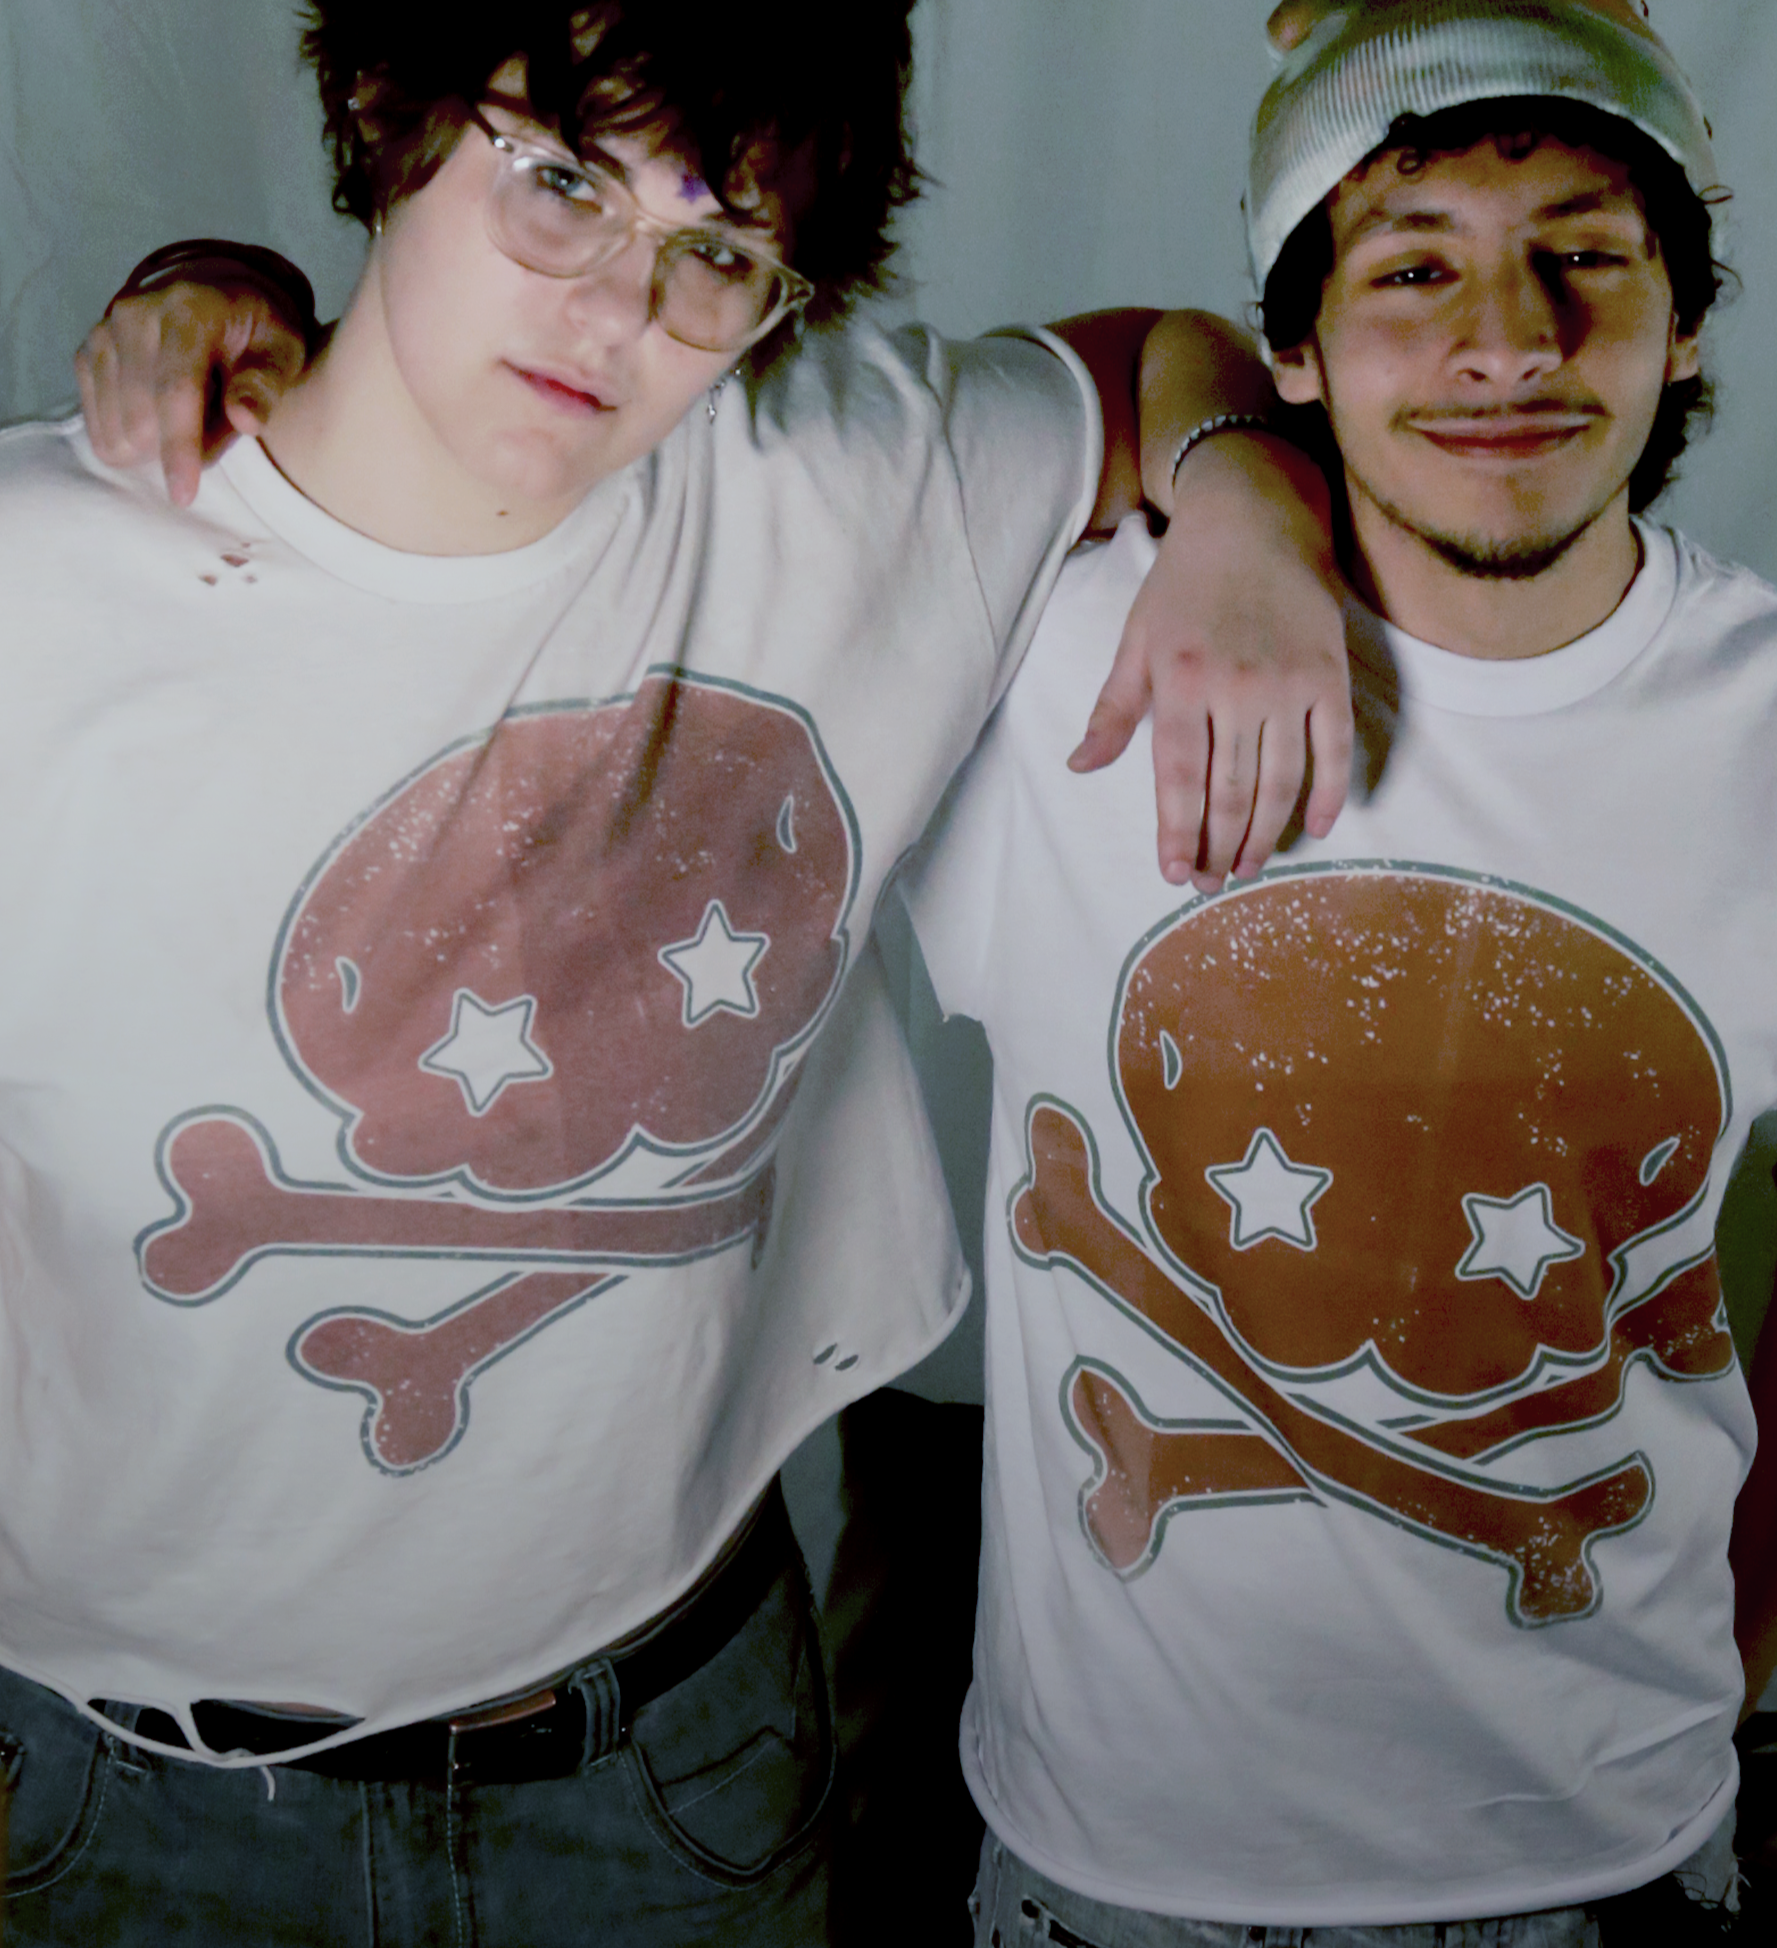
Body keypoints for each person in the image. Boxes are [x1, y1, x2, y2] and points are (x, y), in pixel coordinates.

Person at [0, 1, 1354, 1940]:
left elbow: (1151, 368)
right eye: (561, 185)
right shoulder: (40, 595)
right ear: (389, 109)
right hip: (117, 1797)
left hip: (661, 1767)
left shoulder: (833, 488)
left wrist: (1248, 499)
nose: (616, 311)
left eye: (714, 252)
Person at [899, 1, 1774, 1941]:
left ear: (1689, 322)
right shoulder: (1062, 667)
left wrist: (1736, 1659)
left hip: (1609, 1850)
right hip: (1113, 1871)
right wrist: (1226, 480)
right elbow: (720, 465)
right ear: (1291, 345)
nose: (1509, 340)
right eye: (1414, 271)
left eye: (1586, 256)